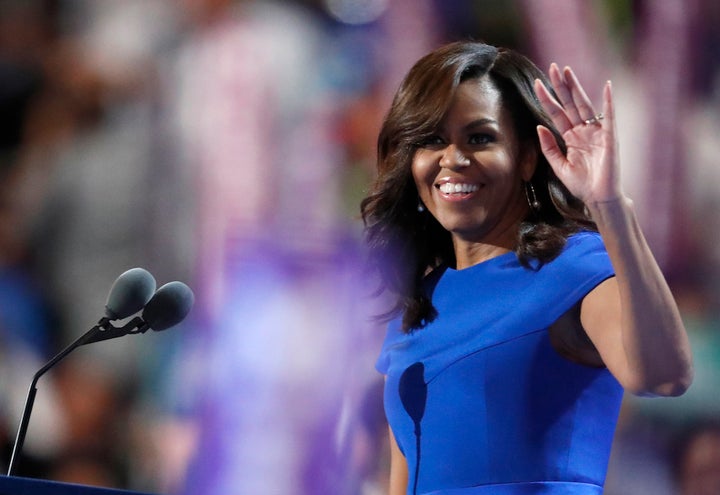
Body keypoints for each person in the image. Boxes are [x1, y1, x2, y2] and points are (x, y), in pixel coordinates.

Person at [360, 41, 693, 495]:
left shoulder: (576, 267)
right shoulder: (418, 303)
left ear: (527, 158)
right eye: (432, 139)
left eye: (480, 138)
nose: (453, 159)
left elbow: (662, 375)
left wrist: (609, 205)